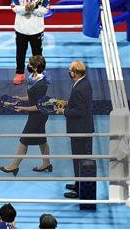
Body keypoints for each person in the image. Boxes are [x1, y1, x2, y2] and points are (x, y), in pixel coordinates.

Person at [0, 56, 52, 176]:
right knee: (42, 140)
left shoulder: (41, 85)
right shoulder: (34, 78)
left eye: (30, 64)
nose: (27, 65)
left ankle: (14, 166)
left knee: (24, 140)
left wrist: (23, 108)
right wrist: (21, 98)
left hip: (38, 115)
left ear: (34, 67)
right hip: (35, 114)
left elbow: (39, 105)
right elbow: (32, 97)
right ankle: (47, 164)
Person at [56, 61, 94, 199]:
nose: (69, 72)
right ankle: (78, 184)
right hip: (83, 128)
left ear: (75, 72)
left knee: (80, 161)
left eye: (70, 70)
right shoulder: (84, 83)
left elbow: (80, 111)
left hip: (80, 130)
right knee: (78, 160)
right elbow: (80, 104)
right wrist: (68, 103)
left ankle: (80, 190)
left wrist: (64, 111)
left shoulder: (79, 88)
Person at [11, 0, 50, 85]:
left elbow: (46, 9)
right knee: (20, 53)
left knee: (37, 55)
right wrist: (24, 9)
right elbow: (13, 6)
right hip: (21, 29)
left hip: (36, 30)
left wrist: (34, 9)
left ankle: (39, 75)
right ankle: (20, 73)